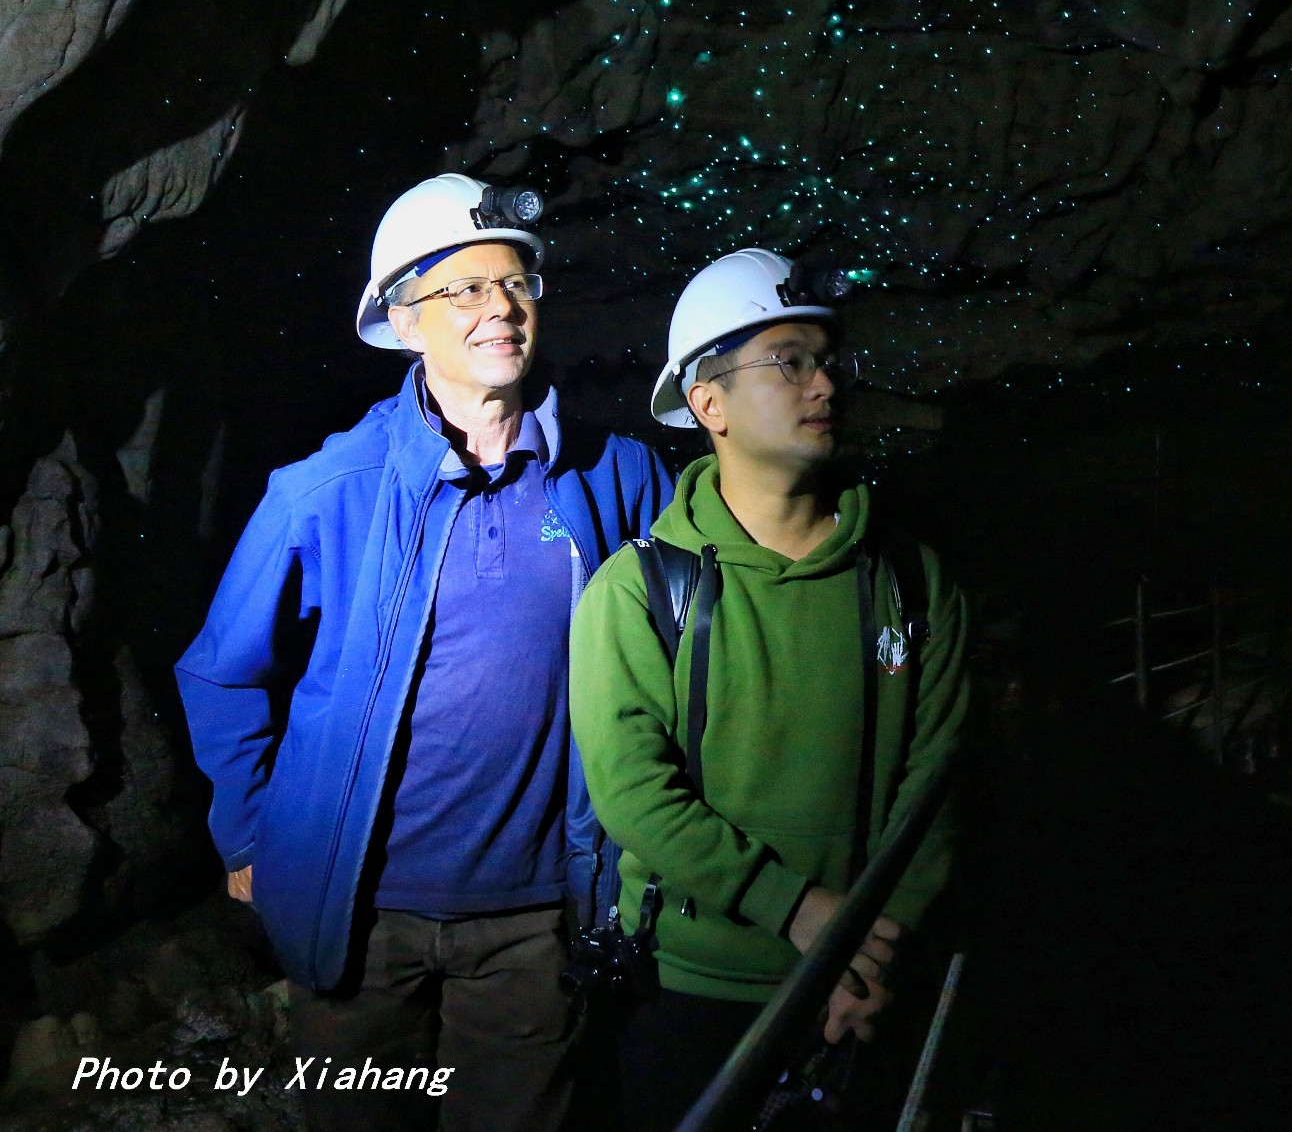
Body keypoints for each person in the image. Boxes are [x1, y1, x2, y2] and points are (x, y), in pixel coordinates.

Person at [176, 174, 671, 1132]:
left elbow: (687, 648)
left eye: (517, 283)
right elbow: (220, 669)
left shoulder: (620, 476)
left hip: (537, 912)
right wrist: (245, 835)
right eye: (466, 289)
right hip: (359, 912)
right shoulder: (326, 489)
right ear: (405, 323)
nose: (501, 307)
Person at [569, 250, 969, 1130]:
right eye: (787, 360)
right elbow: (636, 792)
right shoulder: (637, 592)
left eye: (826, 358)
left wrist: (872, 955)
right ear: (706, 402)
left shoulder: (914, 581)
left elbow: (936, 788)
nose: (822, 381)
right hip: (689, 992)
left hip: (859, 988)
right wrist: (798, 910)